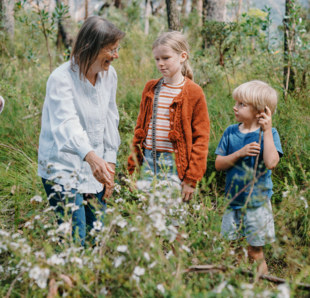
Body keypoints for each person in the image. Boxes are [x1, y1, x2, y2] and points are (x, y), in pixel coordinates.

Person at [38, 16, 124, 246]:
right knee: (75, 239)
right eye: (111, 50)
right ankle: (65, 279)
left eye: (117, 49)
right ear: (90, 47)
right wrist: (93, 159)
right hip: (63, 169)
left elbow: (110, 118)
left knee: (96, 237)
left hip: (95, 168)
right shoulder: (60, 79)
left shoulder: (109, 75)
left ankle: (87, 281)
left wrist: (110, 163)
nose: (116, 56)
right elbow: (67, 124)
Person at [127, 31, 210, 226]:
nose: (160, 63)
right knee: (146, 221)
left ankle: (176, 255)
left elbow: (201, 139)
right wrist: (132, 170)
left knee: (173, 222)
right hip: (148, 161)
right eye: (157, 59)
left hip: (174, 165)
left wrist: (191, 179)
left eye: (166, 58)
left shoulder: (193, 92)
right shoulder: (151, 88)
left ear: (182, 57)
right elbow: (139, 130)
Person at [215, 80, 283, 275]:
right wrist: (239, 153)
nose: (235, 107)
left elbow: (271, 162)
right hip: (233, 201)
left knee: (255, 252)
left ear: (260, 111)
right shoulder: (230, 132)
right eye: (236, 102)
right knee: (231, 249)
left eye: (241, 104)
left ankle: (261, 287)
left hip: (257, 203)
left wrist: (267, 130)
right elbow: (219, 165)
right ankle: (236, 285)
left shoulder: (269, 134)